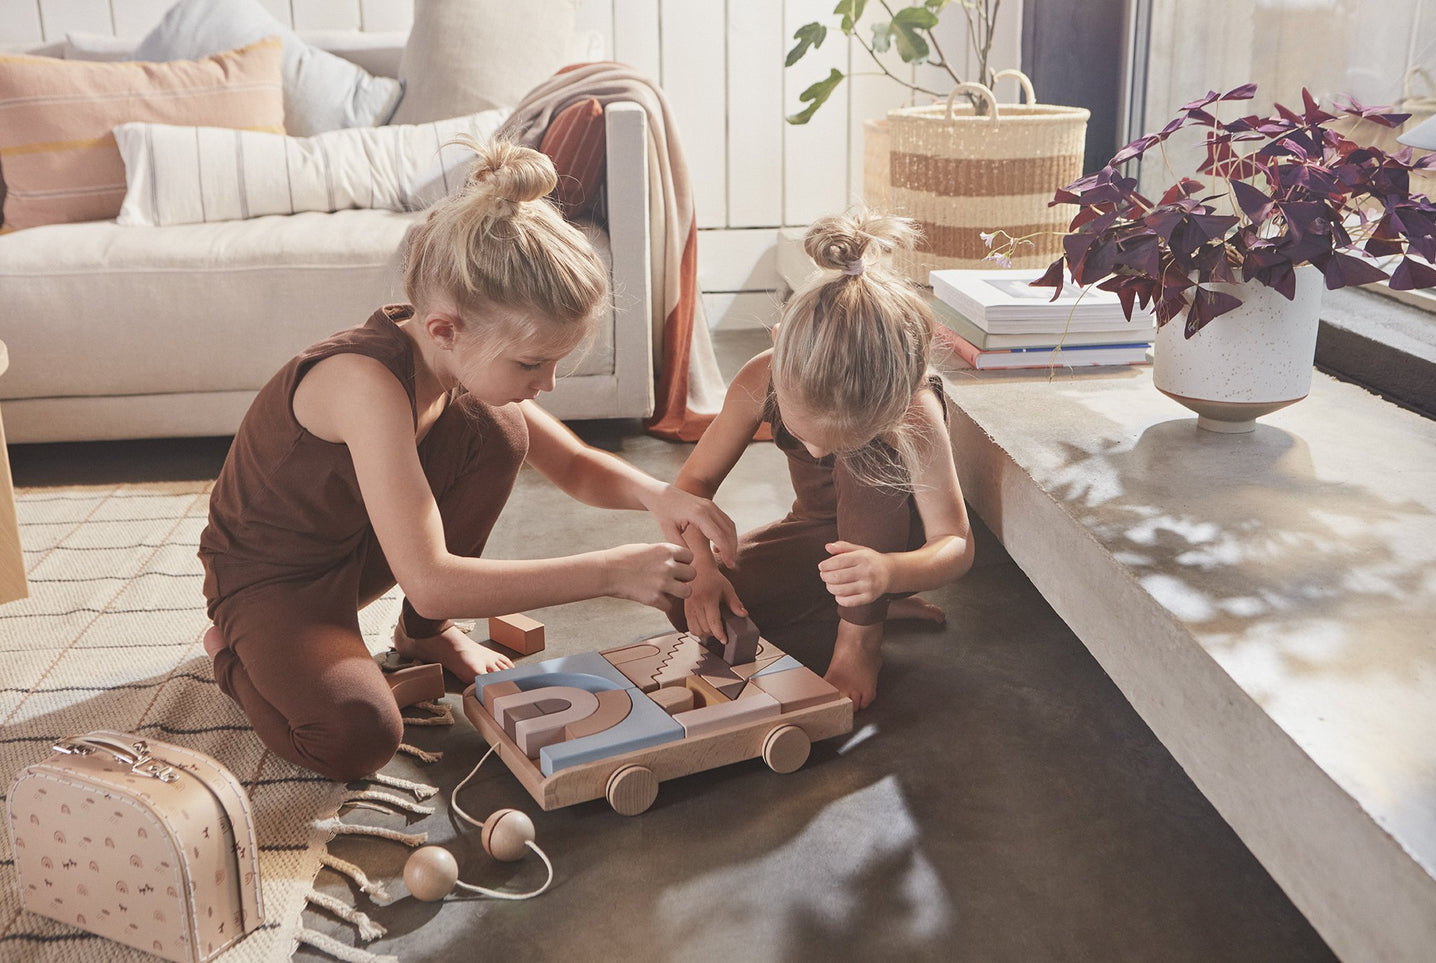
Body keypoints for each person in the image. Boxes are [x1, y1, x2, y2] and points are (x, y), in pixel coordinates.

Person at [198, 138, 737, 781]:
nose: (549, 384)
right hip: (274, 581)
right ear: (445, 329)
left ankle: (421, 636)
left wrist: (661, 495)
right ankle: (231, 653)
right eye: (533, 363)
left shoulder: (450, 358)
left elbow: (573, 465)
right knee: (357, 733)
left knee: (502, 428)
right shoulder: (363, 383)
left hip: (360, 549)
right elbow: (428, 576)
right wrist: (612, 571)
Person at [671, 208, 974, 710]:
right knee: (685, 601)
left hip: (896, 544)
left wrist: (890, 570)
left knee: (864, 463)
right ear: (777, 350)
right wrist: (703, 568)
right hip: (819, 536)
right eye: (803, 432)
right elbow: (692, 486)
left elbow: (954, 542)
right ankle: (863, 604)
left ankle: (860, 637)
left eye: (835, 440)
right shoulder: (760, 376)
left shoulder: (913, 410)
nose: (815, 453)